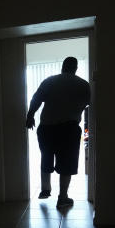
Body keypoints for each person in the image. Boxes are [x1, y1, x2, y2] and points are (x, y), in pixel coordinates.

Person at [25, 56, 90, 207]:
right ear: (75, 68)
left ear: (62, 67)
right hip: (69, 128)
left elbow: (36, 99)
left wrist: (30, 116)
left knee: (46, 156)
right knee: (67, 163)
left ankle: (45, 190)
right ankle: (62, 197)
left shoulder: (50, 81)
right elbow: (86, 104)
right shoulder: (83, 84)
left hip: (47, 128)